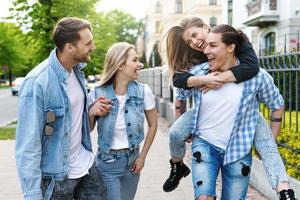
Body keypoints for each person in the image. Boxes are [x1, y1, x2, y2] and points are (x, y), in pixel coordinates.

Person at [162, 17, 296, 200]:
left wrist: (221, 78)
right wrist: (204, 80)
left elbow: (252, 68)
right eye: (189, 41)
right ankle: (177, 166)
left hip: (245, 115)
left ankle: (284, 190)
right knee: (175, 133)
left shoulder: (238, 43)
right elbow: (179, 83)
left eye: (195, 35)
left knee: (267, 144)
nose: (196, 43)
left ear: (205, 27)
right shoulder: (199, 65)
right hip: (206, 125)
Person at [15, 17, 106, 200]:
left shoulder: (78, 72)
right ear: (69, 47)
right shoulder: (37, 83)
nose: (93, 47)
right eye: (88, 43)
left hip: (86, 167)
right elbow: (28, 146)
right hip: (56, 179)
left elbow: (76, 124)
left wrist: (92, 111)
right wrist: (33, 195)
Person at [88, 42, 158, 200]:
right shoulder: (97, 92)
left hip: (133, 161)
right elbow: (89, 129)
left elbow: (153, 125)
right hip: (107, 162)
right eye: (135, 60)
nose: (139, 64)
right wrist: (91, 113)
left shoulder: (143, 91)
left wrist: (142, 157)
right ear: (120, 64)